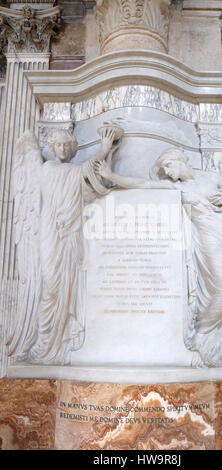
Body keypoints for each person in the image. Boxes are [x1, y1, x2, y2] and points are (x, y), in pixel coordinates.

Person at [94, 147, 222, 367]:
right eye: (164, 168)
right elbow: (143, 184)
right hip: (211, 240)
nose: (167, 172)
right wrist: (112, 177)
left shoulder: (212, 177)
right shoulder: (175, 187)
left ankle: (206, 335)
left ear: (179, 160)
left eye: (168, 165)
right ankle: (202, 334)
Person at [9, 127, 120, 364]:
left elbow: (95, 188)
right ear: (51, 148)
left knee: (68, 285)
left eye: (65, 146)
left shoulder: (73, 173)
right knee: (50, 286)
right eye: (57, 145)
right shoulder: (48, 169)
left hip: (70, 234)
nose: (61, 149)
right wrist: (103, 148)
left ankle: (62, 337)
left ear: (71, 150)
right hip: (51, 232)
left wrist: (109, 155)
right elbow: (84, 169)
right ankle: (45, 338)